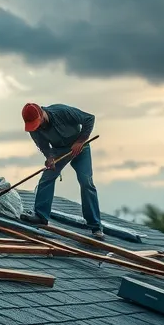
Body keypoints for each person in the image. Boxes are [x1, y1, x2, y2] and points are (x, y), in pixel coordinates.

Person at [18, 102, 104, 239]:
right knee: (46, 178)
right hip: (59, 150)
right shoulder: (34, 129)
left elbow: (89, 118)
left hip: (80, 148)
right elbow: (43, 145)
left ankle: (95, 226)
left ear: (42, 115)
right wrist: (49, 158)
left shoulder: (63, 112)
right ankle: (41, 216)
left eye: (37, 124)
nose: (37, 127)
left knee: (86, 181)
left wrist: (80, 141)